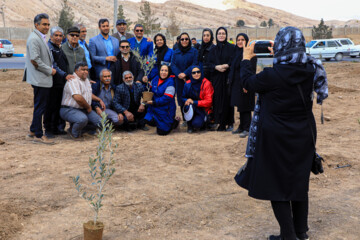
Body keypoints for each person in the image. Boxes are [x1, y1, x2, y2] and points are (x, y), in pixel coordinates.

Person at [235, 26, 328, 240]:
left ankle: (288, 235)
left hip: (276, 137)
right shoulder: (310, 69)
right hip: (304, 135)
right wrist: (279, 54)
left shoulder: (272, 75)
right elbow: (293, 64)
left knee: (276, 185)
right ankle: (300, 232)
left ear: (281, 45)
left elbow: (248, 83)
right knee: (298, 181)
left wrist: (247, 58)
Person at [23, 13, 56, 144]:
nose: (47, 27)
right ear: (36, 25)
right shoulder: (34, 39)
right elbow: (35, 60)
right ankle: (38, 135)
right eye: (44, 24)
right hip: (40, 78)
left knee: (39, 105)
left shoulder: (39, 37)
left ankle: (32, 131)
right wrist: (50, 70)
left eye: (48, 24)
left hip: (42, 78)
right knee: (40, 107)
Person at [60, 62, 105, 140]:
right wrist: (88, 107)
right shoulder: (73, 80)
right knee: (82, 119)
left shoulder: (86, 80)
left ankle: (81, 130)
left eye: (86, 70)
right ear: (76, 70)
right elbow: (78, 97)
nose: (85, 72)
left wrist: (99, 99)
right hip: (69, 109)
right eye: (82, 69)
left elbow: (88, 94)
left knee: (100, 122)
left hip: (83, 109)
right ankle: (74, 133)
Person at [45, 26, 74, 138]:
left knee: (58, 105)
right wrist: (65, 75)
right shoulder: (49, 48)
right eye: (56, 35)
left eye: (60, 35)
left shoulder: (58, 47)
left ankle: (56, 128)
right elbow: (53, 66)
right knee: (50, 106)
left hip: (60, 83)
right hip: (52, 83)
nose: (58, 37)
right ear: (51, 36)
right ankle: (48, 129)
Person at [207, 27, 235, 131]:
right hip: (217, 78)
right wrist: (216, 67)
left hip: (228, 77)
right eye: (219, 33)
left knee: (228, 99)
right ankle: (220, 122)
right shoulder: (213, 49)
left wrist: (227, 65)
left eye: (223, 33)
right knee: (218, 99)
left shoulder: (232, 48)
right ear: (216, 35)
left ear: (226, 35)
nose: (221, 35)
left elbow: (234, 60)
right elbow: (208, 63)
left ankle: (230, 122)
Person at [228, 33, 257, 138]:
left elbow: (251, 70)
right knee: (240, 105)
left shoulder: (250, 53)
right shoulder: (236, 52)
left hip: (245, 83)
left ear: (246, 41)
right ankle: (241, 126)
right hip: (237, 83)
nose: (240, 42)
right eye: (238, 40)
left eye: (242, 39)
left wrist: (247, 84)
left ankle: (247, 128)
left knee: (246, 106)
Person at [170, 32, 198, 124]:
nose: (184, 41)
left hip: (191, 78)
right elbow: (173, 65)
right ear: (179, 41)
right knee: (181, 98)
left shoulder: (194, 51)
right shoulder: (176, 52)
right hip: (179, 80)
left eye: (186, 39)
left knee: (191, 97)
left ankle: (193, 118)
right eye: (182, 39)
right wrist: (179, 74)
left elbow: (194, 64)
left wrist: (185, 73)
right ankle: (185, 118)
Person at [144, 65, 179, 135]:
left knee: (162, 133)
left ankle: (174, 122)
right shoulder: (155, 79)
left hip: (166, 109)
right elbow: (149, 90)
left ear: (169, 72)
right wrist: (145, 83)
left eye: (166, 71)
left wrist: (154, 102)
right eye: (162, 70)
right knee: (146, 120)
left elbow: (166, 98)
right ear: (159, 71)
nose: (163, 72)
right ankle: (160, 123)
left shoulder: (170, 82)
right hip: (155, 107)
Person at [182, 66, 214, 133]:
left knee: (197, 124)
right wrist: (186, 101)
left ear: (201, 72)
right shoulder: (187, 83)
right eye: (194, 73)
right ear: (191, 74)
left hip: (202, 109)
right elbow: (183, 97)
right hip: (192, 107)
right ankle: (189, 125)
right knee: (187, 107)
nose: (196, 74)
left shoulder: (206, 83)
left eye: (198, 72)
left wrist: (194, 102)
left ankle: (205, 121)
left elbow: (209, 101)